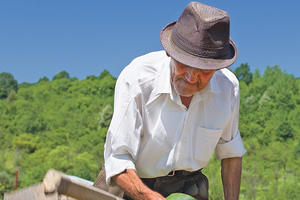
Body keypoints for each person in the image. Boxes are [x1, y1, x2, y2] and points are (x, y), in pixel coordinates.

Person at [94, 2, 246, 200]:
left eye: (203, 71)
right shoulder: (137, 79)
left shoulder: (228, 89)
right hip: (128, 181)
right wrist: (148, 196)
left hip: (188, 187)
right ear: (169, 53)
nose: (191, 78)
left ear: (217, 69)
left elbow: (231, 154)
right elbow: (117, 159)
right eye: (184, 65)